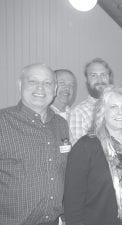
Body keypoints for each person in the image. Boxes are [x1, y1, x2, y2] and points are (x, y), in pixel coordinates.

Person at [64, 86, 122, 225]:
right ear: (102, 112)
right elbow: (73, 202)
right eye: (113, 107)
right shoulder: (86, 147)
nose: (120, 112)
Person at [0, 63, 70, 225]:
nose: (40, 88)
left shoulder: (61, 124)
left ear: (54, 89)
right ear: (20, 84)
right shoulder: (3, 122)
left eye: (47, 83)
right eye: (32, 82)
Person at [69, 58, 114, 144]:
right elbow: (82, 152)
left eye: (103, 74)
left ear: (110, 78)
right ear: (87, 81)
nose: (99, 79)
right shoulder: (78, 113)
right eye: (93, 75)